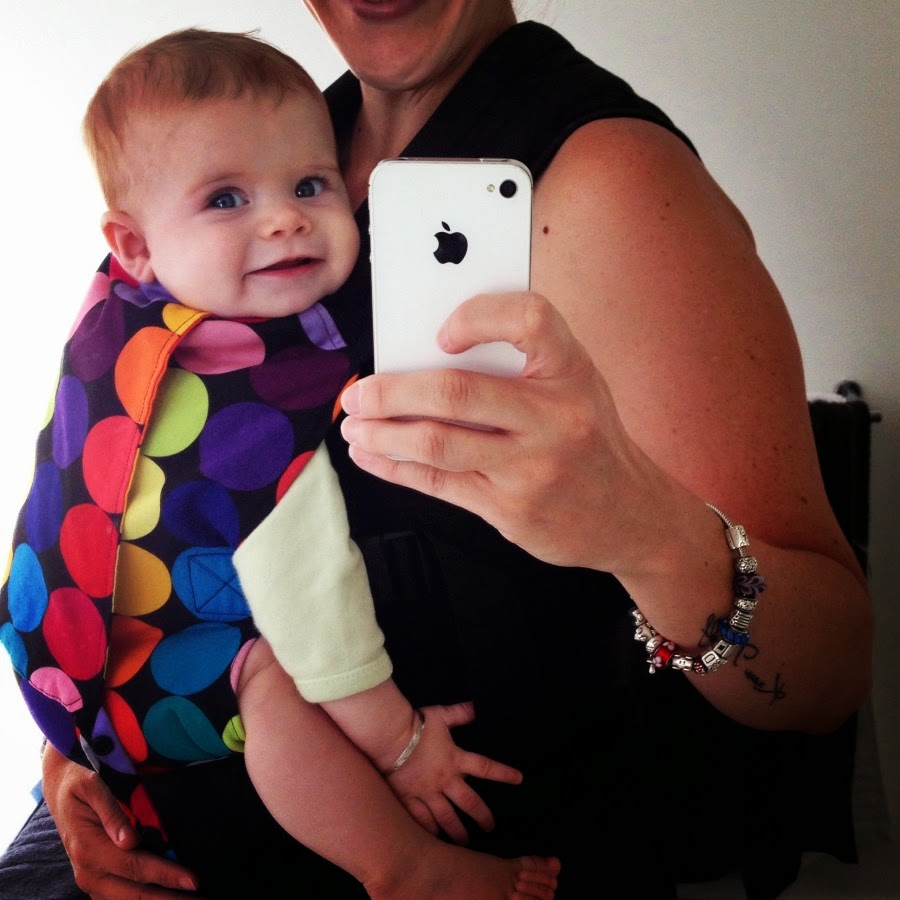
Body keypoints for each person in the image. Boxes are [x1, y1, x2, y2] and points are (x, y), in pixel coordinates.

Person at [0, 2, 872, 898]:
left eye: (303, 193)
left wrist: (642, 529)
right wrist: (79, 742)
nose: (282, 218)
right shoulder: (280, 136)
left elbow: (829, 673)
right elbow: (125, 463)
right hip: (164, 801)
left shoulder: (616, 180)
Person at [0, 26, 559, 900]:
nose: (285, 218)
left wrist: (70, 734)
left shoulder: (120, 310)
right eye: (226, 199)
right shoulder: (261, 402)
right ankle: (403, 865)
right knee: (274, 680)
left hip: (65, 660)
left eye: (310, 185)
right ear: (134, 243)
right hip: (162, 685)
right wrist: (402, 743)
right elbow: (313, 605)